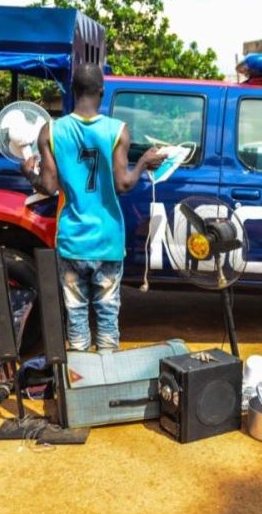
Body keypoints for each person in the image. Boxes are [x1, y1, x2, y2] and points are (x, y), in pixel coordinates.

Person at [21, 63, 165, 351]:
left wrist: (27, 172)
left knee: (75, 316)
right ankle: (107, 382)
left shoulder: (51, 131)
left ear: (73, 91)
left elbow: (48, 187)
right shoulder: (118, 131)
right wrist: (143, 164)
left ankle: (80, 383)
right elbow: (123, 184)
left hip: (72, 240)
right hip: (108, 241)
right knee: (107, 315)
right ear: (102, 91)